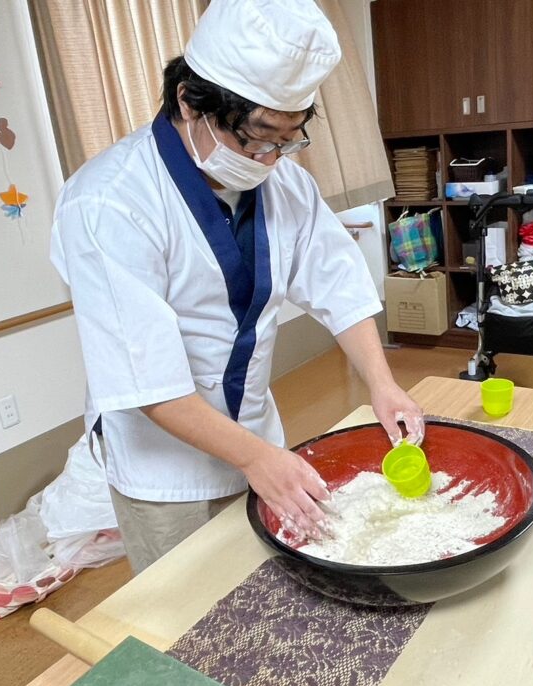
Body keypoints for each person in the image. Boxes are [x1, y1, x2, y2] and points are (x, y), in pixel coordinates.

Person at [51, 0, 424, 574]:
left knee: (260, 588)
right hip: (164, 467)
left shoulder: (285, 184)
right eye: (258, 137)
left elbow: (337, 284)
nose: (270, 158)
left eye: (289, 140)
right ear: (189, 103)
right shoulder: (109, 201)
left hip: (254, 432)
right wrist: (257, 459)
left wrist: (383, 384)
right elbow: (146, 379)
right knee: (181, 615)